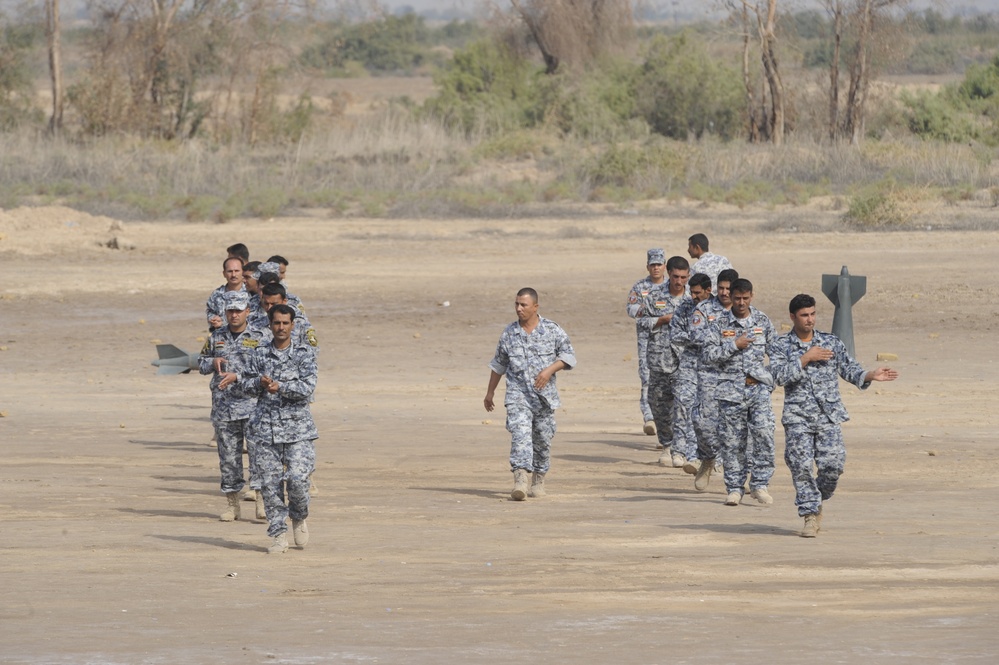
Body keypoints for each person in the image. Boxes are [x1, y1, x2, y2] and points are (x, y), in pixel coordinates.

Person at [771, 294, 899, 538]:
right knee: (800, 466)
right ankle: (809, 514)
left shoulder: (830, 342)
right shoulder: (780, 346)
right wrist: (805, 358)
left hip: (828, 416)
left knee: (833, 467)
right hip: (798, 417)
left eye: (812, 314)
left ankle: (817, 497)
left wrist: (870, 375)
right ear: (792, 317)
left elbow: (848, 368)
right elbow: (778, 376)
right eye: (804, 315)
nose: (810, 320)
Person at [239, 304, 319, 554]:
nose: (281, 327)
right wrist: (259, 383)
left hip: (298, 430)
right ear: (270, 325)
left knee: (297, 479)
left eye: (286, 323)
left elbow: (308, 389)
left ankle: (299, 516)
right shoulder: (259, 353)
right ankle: (278, 535)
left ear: (293, 325)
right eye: (277, 323)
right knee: (270, 485)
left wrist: (281, 387)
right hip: (265, 429)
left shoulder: (304, 353)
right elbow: (244, 385)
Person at [484, 288, 576, 501]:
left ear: (535, 307)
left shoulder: (552, 330)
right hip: (518, 396)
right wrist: (490, 393)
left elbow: (569, 356)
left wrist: (550, 370)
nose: (519, 309)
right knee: (520, 434)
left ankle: (539, 478)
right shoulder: (509, 333)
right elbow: (499, 364)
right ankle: (520, 479)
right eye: (516, 304)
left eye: (523, 305)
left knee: (542, 440)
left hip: (544, 398)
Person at [701, 278, 777, 507]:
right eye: (737, 298)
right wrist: (734, 345)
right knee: (732, 442)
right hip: (729, 392)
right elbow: (707, 355)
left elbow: (778, 353)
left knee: (764, 434)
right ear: (730, 297)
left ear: (751, 296)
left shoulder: (762, 320)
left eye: (745, 298)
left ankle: (760, 484)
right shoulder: (719, 322)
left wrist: (769, 378)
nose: (741, 303)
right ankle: (734, 488)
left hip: (758, 390)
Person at [198, 290, 268, 522]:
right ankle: (232, 505)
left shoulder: (260, 337)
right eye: (230, 311)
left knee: (259, 456)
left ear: (248, 311)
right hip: (224, 408)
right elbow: (201, 363)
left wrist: (239, 375)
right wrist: (212, 361)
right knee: (228, 458)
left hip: (253, 406)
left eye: (238, 310)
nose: (234, 315)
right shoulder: (217, 336)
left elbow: (268, 369)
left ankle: (261, 501)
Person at [688, 267, 738, 491]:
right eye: (722, 288)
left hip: (737, 377)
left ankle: (738, 476)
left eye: (729, 289)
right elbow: (697, 336)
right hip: (709, 374)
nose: (725, 293)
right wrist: (732, 343)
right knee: (703, 424)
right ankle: (707, 458)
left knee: (738, 429)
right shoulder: (705, 309)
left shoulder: (747, 313)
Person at [645, 255, 690, 467]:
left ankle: (681, 448)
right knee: (658, 404)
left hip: (685, 361)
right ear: (668, 274)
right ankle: (666, 444)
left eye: (683, 277)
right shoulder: (655, 295)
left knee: (683, 404)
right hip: (659, 359)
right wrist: (662, 320)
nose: (679, 281)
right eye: (675, 276)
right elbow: (641, 323)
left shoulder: (694, 298)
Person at [668, 272, 712, 474]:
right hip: (688, 363)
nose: (693, 297)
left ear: (708, 291)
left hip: (713, 365)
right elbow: (675, 334)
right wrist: (696, 337)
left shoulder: (718, 309)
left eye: (697, 293)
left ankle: (706, 456)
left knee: (707, 411)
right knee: (682, 404)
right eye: (691, 292)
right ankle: (679, 451)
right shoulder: (685, 307)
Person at [626, 249, 671, 438]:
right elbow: (631, 308)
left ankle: (666, 428)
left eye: (659, 264)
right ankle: (649, 417)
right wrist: (648, 309)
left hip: (669, 344)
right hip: (647, 340)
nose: (656, 268)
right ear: (647, 266)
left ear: (665, 266)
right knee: (646, 378)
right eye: (652, 265)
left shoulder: (672, 286)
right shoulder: (640, 287)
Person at [205, 257, 246, 332]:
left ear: (243, 272)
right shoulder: (216, 294)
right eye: (230, 271)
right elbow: (210, 311)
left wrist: (224, 323)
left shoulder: (251, 294)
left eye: (237, 271)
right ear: (224, 274)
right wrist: (214, 319)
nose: (233, 275)